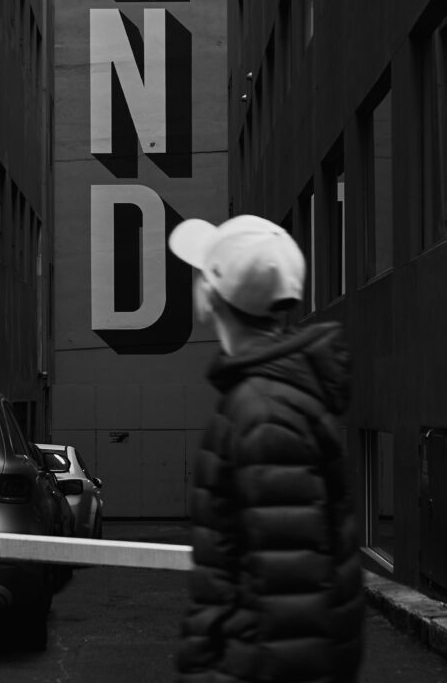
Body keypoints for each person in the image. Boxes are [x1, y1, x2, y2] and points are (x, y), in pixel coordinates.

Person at [168, 214, 364, 683]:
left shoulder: (265, 413)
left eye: (200, 272)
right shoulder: (264, 399)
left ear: (213, 294)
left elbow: (292, 610)